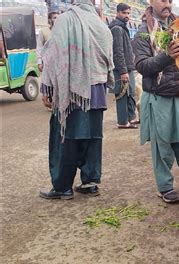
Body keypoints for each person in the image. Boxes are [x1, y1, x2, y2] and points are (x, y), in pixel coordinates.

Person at [39, 0, 114, 199]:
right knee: (92, 137)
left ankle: (63, 187)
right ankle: (90, 182)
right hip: (97, 90)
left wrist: (46, 87)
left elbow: (54, 56)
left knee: (66, 138)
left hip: (72, 91)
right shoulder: (101, 24)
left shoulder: (65, 20)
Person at [133, 0, 179, 204]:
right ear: (151, 2)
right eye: (162, 0)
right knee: (162, 145)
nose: (167, 4)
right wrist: (167, 56)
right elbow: (142, 65)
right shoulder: (143, 32)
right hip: (158, 95)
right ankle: (164, 187)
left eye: (170, 0)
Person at [109, 3, 138, 129]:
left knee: (130, 92)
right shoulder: (117, 28)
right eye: (124, 13)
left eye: (128, 13)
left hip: (127, 67)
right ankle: (122, 122)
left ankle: (130, 118)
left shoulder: (122, 27)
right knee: (122, 94)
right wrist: (123, 71)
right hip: (122, 68)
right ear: (117, 13)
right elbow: (118, 51)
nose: (127, 16)